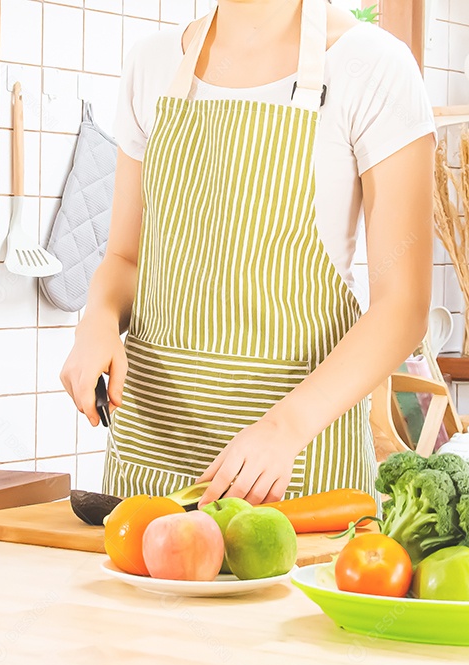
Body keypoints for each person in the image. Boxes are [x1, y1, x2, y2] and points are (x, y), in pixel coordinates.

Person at [60, 0, 435, 507]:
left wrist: (285, 428)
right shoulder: (152, 64)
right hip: (152, 469)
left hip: (296, 476)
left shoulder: (372, 66)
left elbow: (404, 307)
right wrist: (97, 321)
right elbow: (127, 260)